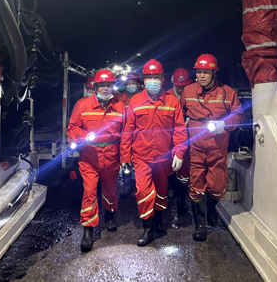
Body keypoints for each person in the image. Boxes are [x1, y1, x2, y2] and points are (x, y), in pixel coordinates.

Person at [121, 59, 187, 246]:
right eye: (149, 77)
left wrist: (179, 153)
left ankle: (158, 219)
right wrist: (125, 156)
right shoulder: (136, 101)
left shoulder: (172, 101)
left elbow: (179, 130)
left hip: (163, 157)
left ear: (162, 79)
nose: (152, 81)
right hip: (141, 157)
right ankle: (148, 228)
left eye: (156, 77)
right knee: (143, 191)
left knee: (161, 190)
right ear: (144, 80)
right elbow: (128, 131)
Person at [180, 54, 244, 241]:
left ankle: (211, 206)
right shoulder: (188, 91)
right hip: (195, 148)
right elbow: (179, 115)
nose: (201, 75)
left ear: (215, 73)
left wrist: (225, 124)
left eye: (206, 72)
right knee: (196, 185)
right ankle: (200, 225)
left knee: (217, 186)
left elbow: (239, 116)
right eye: (199, 71)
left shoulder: (227, 92)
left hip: (217, 148)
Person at [67, 69, 125, 252]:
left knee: (110, 189)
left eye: (109, 85)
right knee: (90, 192)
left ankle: (110, 215)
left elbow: (126, 133)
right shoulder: (82, 105)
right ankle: (88, 230)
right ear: (96, 87)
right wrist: (84, 135)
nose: (106, 88)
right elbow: (72, 129)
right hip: (89, 156)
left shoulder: (120, 106)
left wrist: (125, 156)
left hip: (112, 155)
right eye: (102, 85)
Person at [166, 68, 192, 213]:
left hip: (188, 136)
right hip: (170, 136)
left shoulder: (192, 94)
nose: (181, 89)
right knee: (169, 166)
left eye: (184, 86)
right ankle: (170, 188)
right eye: (178, 86)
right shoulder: (167, 96)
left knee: (184, 168)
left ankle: (182, 200)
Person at [116, 71, 142, 198]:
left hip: (140, 134)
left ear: (138, 84)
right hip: (125, 135)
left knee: (141, 160)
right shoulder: (120, 100)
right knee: (125, 159)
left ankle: (141, 184)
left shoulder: (144, 98)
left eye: (133, 83)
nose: (131, 85)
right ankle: (128, 185)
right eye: (129, 83)